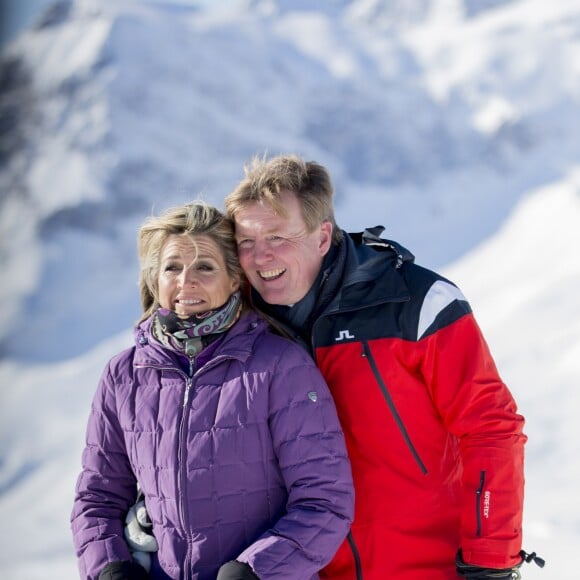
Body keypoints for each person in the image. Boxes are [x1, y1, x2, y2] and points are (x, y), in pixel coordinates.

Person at [221, 154, 544, 579]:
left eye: (277, 237)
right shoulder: (235, 322)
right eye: (246, 242)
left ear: (322, 237)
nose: (260, 257)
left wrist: (491, 560)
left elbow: (490, 427)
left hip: (429, 568)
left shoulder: (414, 302)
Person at [70, 201, 354, 580]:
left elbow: (325, 501)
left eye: (205, 266)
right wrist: (110, 569)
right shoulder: (124, 376)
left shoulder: (279, 366)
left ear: (235, 278)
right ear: (156, 278)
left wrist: (254, 572)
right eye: (172, 267)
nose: (186, 281)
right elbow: (97, 499)